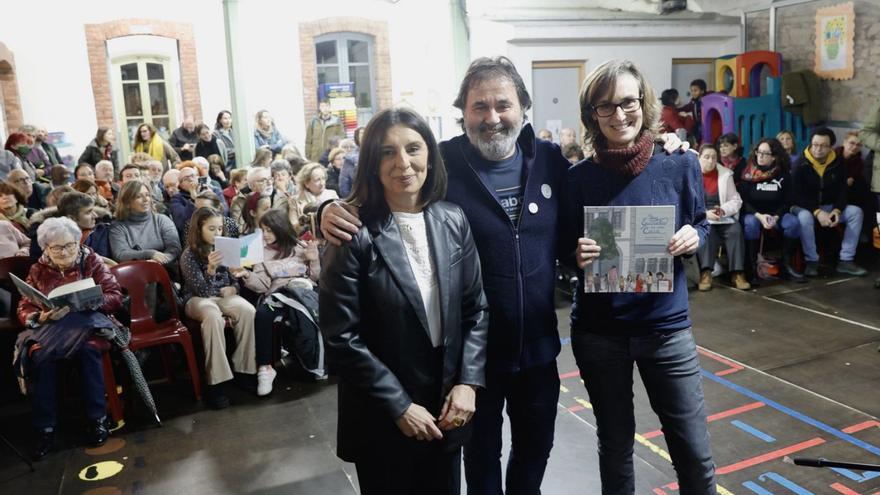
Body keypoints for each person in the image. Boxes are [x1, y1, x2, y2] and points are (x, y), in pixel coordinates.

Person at [319, 56, 688, 494]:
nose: (492, 117)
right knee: (479, 462)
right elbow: (386, 192)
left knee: (534, 454)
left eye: (503, 105)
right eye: (479, 107)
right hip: (472, 363)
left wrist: (664, 150)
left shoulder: (550, 160)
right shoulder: (441, 164)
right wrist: (324, 212)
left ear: (523, 108)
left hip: (538, 351)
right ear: (463, 112)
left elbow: (603, 188)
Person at [561, 59, 715, 494]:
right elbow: (561, 248)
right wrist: (575, 253)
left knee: (693, 453)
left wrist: (694, 236)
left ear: (643, 102)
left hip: (666, 330)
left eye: (627, 102)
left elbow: (701, 222)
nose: (619, 114)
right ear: (592, 115)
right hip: (599, 334)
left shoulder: (678, 163)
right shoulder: (578, 180)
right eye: (605, 106)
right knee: (615, 446)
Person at [319, 107, 488, 494]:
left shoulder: (453, 219)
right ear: (371, 163)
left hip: (446, 408)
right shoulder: (352, 232)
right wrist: (399, 405)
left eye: (413, 148)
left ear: (429, 153)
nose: (403, 163)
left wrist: (468, 383)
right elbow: (341, 337)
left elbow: (475, 309)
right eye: (387, 152)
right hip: (382, 415)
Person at [16, 217, 124, 458]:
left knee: (88, 349)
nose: (65, 252)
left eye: (70, 245)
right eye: (57, 247)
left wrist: (91, 300)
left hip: (89, 324)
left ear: (78, 242)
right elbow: (25, 306)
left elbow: (115, 295)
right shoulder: (37, 269)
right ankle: (46, 427)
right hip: (53, 329)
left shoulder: (92, 261)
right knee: (42, 356)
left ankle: (98, 419)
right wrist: (39, 317)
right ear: (45, 248)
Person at [236, 209, 322, 395]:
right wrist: (247, 275)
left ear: (280, 228)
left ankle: (315, 360)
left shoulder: (301, 247)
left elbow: (316, 278)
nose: (265, 235)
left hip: (303, 293)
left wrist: (314, 260)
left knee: (308, 312)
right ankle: (265, 368)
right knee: (263, 314)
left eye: (269, 230)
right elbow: (263, 286)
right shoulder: (260, 252)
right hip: (278, 296)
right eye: (263, 230)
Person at [180, 207, 257, 409]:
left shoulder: (226, 248)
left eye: (220, 228)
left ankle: (244, 370)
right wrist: (211, 269)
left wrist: (233, 287)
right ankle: (217, 382)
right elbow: (202, 292)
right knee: (212, 315)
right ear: (199, 229)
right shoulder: (189, 255)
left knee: (247, 310)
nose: (217, 233)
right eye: (212, 228)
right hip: (197, 299)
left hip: (222, 296)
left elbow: (236, 282)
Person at [791, 127, 866, 277]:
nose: (818, 149)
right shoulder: (800, 163)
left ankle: (846, 260)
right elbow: (796, 195)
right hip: (803, 206)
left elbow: (842, 190)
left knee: (856, 212)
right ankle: (812, 261)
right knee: (805, 217)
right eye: (815, 145)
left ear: (830, 146)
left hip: (829, 205)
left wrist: (837, 210)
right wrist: (817, 212)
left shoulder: (837, 162)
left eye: (823, 145)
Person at [736, 138, 804, 282]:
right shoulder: (748, 173)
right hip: (753, 213)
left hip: (777, 214)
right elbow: (743, 201)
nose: (760, 156)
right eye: (758, 152)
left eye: (765, 153)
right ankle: (751, 268)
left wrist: (777, 217)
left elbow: (787, 201)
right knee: (751, 224)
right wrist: (760, 216)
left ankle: (786, 266)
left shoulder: (783, 175)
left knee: (793, 224)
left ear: (774, 156)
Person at [695, 144, 749, 291]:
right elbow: (686, 202)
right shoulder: (691, 174)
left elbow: (735, 200)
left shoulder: (725, 174)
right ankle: (706, 273)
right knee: (707, 231)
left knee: (735, 230)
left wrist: (722, 210)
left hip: (722, 216)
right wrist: (705, 214)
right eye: (706, 157)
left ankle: (737, 273)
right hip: (703, 216)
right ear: (699, 158)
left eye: (714, 157)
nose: (710, 161)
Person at [109, 181, 181, 271]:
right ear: (127, 202)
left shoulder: (162, 220)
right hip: (136, 274)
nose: (145, 199)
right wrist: (150, 254)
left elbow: (174, 249)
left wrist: (158, 262)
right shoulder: (118, 227)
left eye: (147, 195)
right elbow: (120, 254)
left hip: (166, 271)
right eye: (138, 196)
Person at [837, 131, 874, 237]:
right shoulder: (833, 156)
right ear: (844, 142)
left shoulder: (860, 163)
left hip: (851, 195)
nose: (854, 147)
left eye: (858, 145)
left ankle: (866, 232)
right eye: (851, 143)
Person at [292, 162, 338, 233]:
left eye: (323, 178)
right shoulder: (296, 201)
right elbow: (294, 228)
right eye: (317, 180)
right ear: (306, 183)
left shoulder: (332, 195)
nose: (322, 183)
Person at [678, 78, 707, 144]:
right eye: (692, 90)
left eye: (695, 90)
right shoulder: (694, 101)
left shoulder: (705, 101)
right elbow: (687, 107)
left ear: (702, 91)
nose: (693, 93)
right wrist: (675, 110)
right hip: (697, 125)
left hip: (703, 125)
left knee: (700, 137)